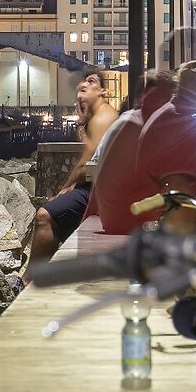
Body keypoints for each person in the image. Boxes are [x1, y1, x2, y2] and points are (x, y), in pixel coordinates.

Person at [94, 60, 196, 235]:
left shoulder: (167, 113)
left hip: (119, 215)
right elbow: (178, 195)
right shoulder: (178, 121)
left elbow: (166, 169)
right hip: (137, 220)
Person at [26, 71, 117, 263]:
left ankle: (30, 280)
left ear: (103, 91)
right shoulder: (100, 116)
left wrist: (65, 187)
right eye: (83, 81)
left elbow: (85, 163)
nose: (84, 85)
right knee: (58, 214)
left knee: (44, 215)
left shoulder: (103, 116)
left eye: (91, 82)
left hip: (102, 193)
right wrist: (83, 120)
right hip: (101, 188)